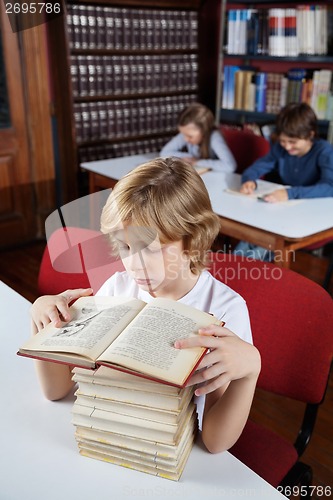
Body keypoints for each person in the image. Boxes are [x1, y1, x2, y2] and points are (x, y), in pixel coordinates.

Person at [30, 157, 260, 454]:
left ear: (192, 241)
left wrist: (251, 369)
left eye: (150, 249)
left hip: (170, 452)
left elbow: (215, 442)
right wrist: (43, 322)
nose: (134, 265)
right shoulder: (118, 287)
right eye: (124, 247)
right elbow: (55, 391)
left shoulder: (225, 310)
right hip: (114, 437)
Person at [234, 102, 333, 260]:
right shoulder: (280, 149)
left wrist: (289, 193)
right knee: (254, 236)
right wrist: (249, 180)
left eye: (292, 142)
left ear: (310, 135)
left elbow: (329, 187)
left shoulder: (324, 151)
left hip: (313, 214)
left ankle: (240, 272)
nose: (287, 147)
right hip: (285, 212)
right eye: (283, 141)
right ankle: (233, 268)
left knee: (263, 240)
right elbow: (257, 167)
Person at [160, 102, 236, 173]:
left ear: (203, 131)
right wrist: (188, 157)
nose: (185, 139)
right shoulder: (187, 132)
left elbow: (230, 166)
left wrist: (197, 162)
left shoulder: (214, 137)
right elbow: (164, 153)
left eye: (190, 136)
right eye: (183, 135)